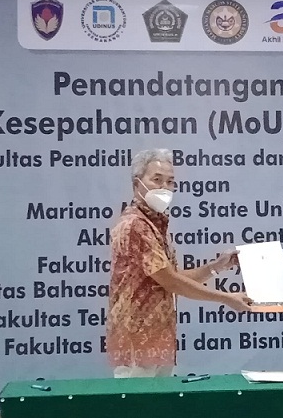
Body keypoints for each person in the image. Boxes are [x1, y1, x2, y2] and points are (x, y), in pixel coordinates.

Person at [106, 148, 251, 378]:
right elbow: (171, 282)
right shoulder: (135, 225)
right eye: (157, 180)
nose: (164, 187)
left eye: (170, 181)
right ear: (136, 184)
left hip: (159, 340)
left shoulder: (156, 224)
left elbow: (169, 278)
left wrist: (216, 267)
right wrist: (227, 298)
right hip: (137, 341)